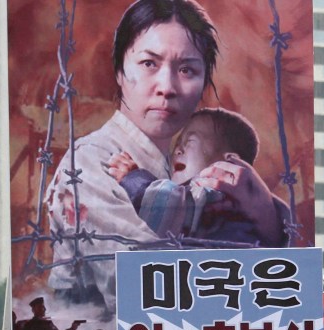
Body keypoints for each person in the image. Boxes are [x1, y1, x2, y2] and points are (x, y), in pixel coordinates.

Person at [45, 0, 288, 312]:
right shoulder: (90, 164)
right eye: (149, 64)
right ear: (119, 70)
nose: (167, 87)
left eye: (187, 69)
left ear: (202, 84)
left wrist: (262, 207)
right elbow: (145, 285)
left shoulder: (193, 164)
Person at [108, 107, 283, 244]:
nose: (177, 150)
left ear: (230, 163)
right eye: (177, 144)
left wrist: (134, 180)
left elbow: (170, 207)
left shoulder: (219, 194)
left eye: (189, 142)